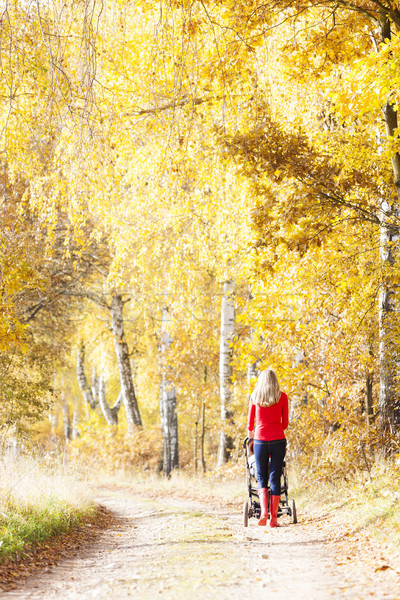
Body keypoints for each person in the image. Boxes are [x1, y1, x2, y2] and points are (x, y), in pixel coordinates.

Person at [247, 368, 289, 527]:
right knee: (275, 477)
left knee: (261, 476)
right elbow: (285, 423)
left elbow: (250, 424)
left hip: (260, 441)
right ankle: (274, 519)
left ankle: (264, 512)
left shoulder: (254, 397)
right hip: (278, 439)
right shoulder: (282, 397)